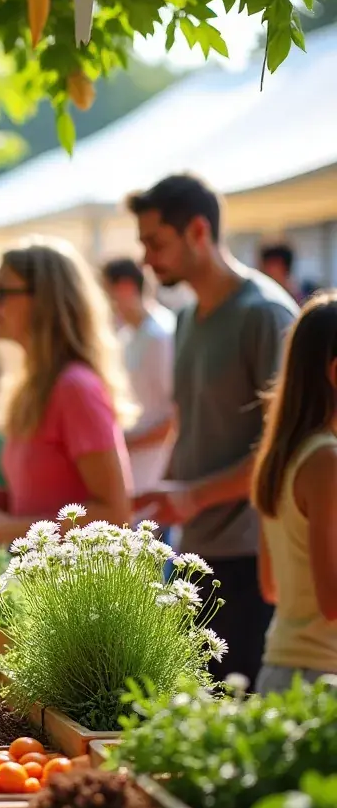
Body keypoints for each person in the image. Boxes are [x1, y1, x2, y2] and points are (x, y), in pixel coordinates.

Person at [129, 174, 297, 687]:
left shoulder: (265, 315)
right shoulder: (185, 322)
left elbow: (283, 452)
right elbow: (190, 420)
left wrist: (193, 496)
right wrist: (164, 499)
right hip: (194, 556)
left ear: (198, 231)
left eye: (156, 243)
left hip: (252, 562)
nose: (146, 259)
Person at [0, 237, 134, 543]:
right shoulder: (31, 384)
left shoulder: (76, 387)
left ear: (44, 301)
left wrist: (14, 530)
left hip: (72, 586)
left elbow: (115, 513)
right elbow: (44, 505)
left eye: (2, 293)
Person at [251, 291, 337, 693]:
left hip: (279, 671)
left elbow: (271, 587)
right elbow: (331, 601)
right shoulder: (326, 460)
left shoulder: (282, 455)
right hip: (320, 682)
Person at [102, 258, 176, 493]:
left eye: (105, 292)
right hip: (136, 478)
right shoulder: (127, 336)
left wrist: (125, 443)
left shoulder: (161, 336)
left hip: (157, 479)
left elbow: (177, 418)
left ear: (124, 288)